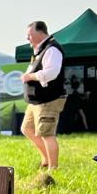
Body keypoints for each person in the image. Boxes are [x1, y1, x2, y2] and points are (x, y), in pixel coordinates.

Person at [20, 20, 66, 182]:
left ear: (40, 33)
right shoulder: (40, 50)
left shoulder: (52, 49)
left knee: (46, 133)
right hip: (36, 101)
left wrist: (30, 76)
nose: (28, 39)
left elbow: (51, 72)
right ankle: (46, 159)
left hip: (48, 99)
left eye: (30, 35)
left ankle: (53, 168)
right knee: (27, 128)